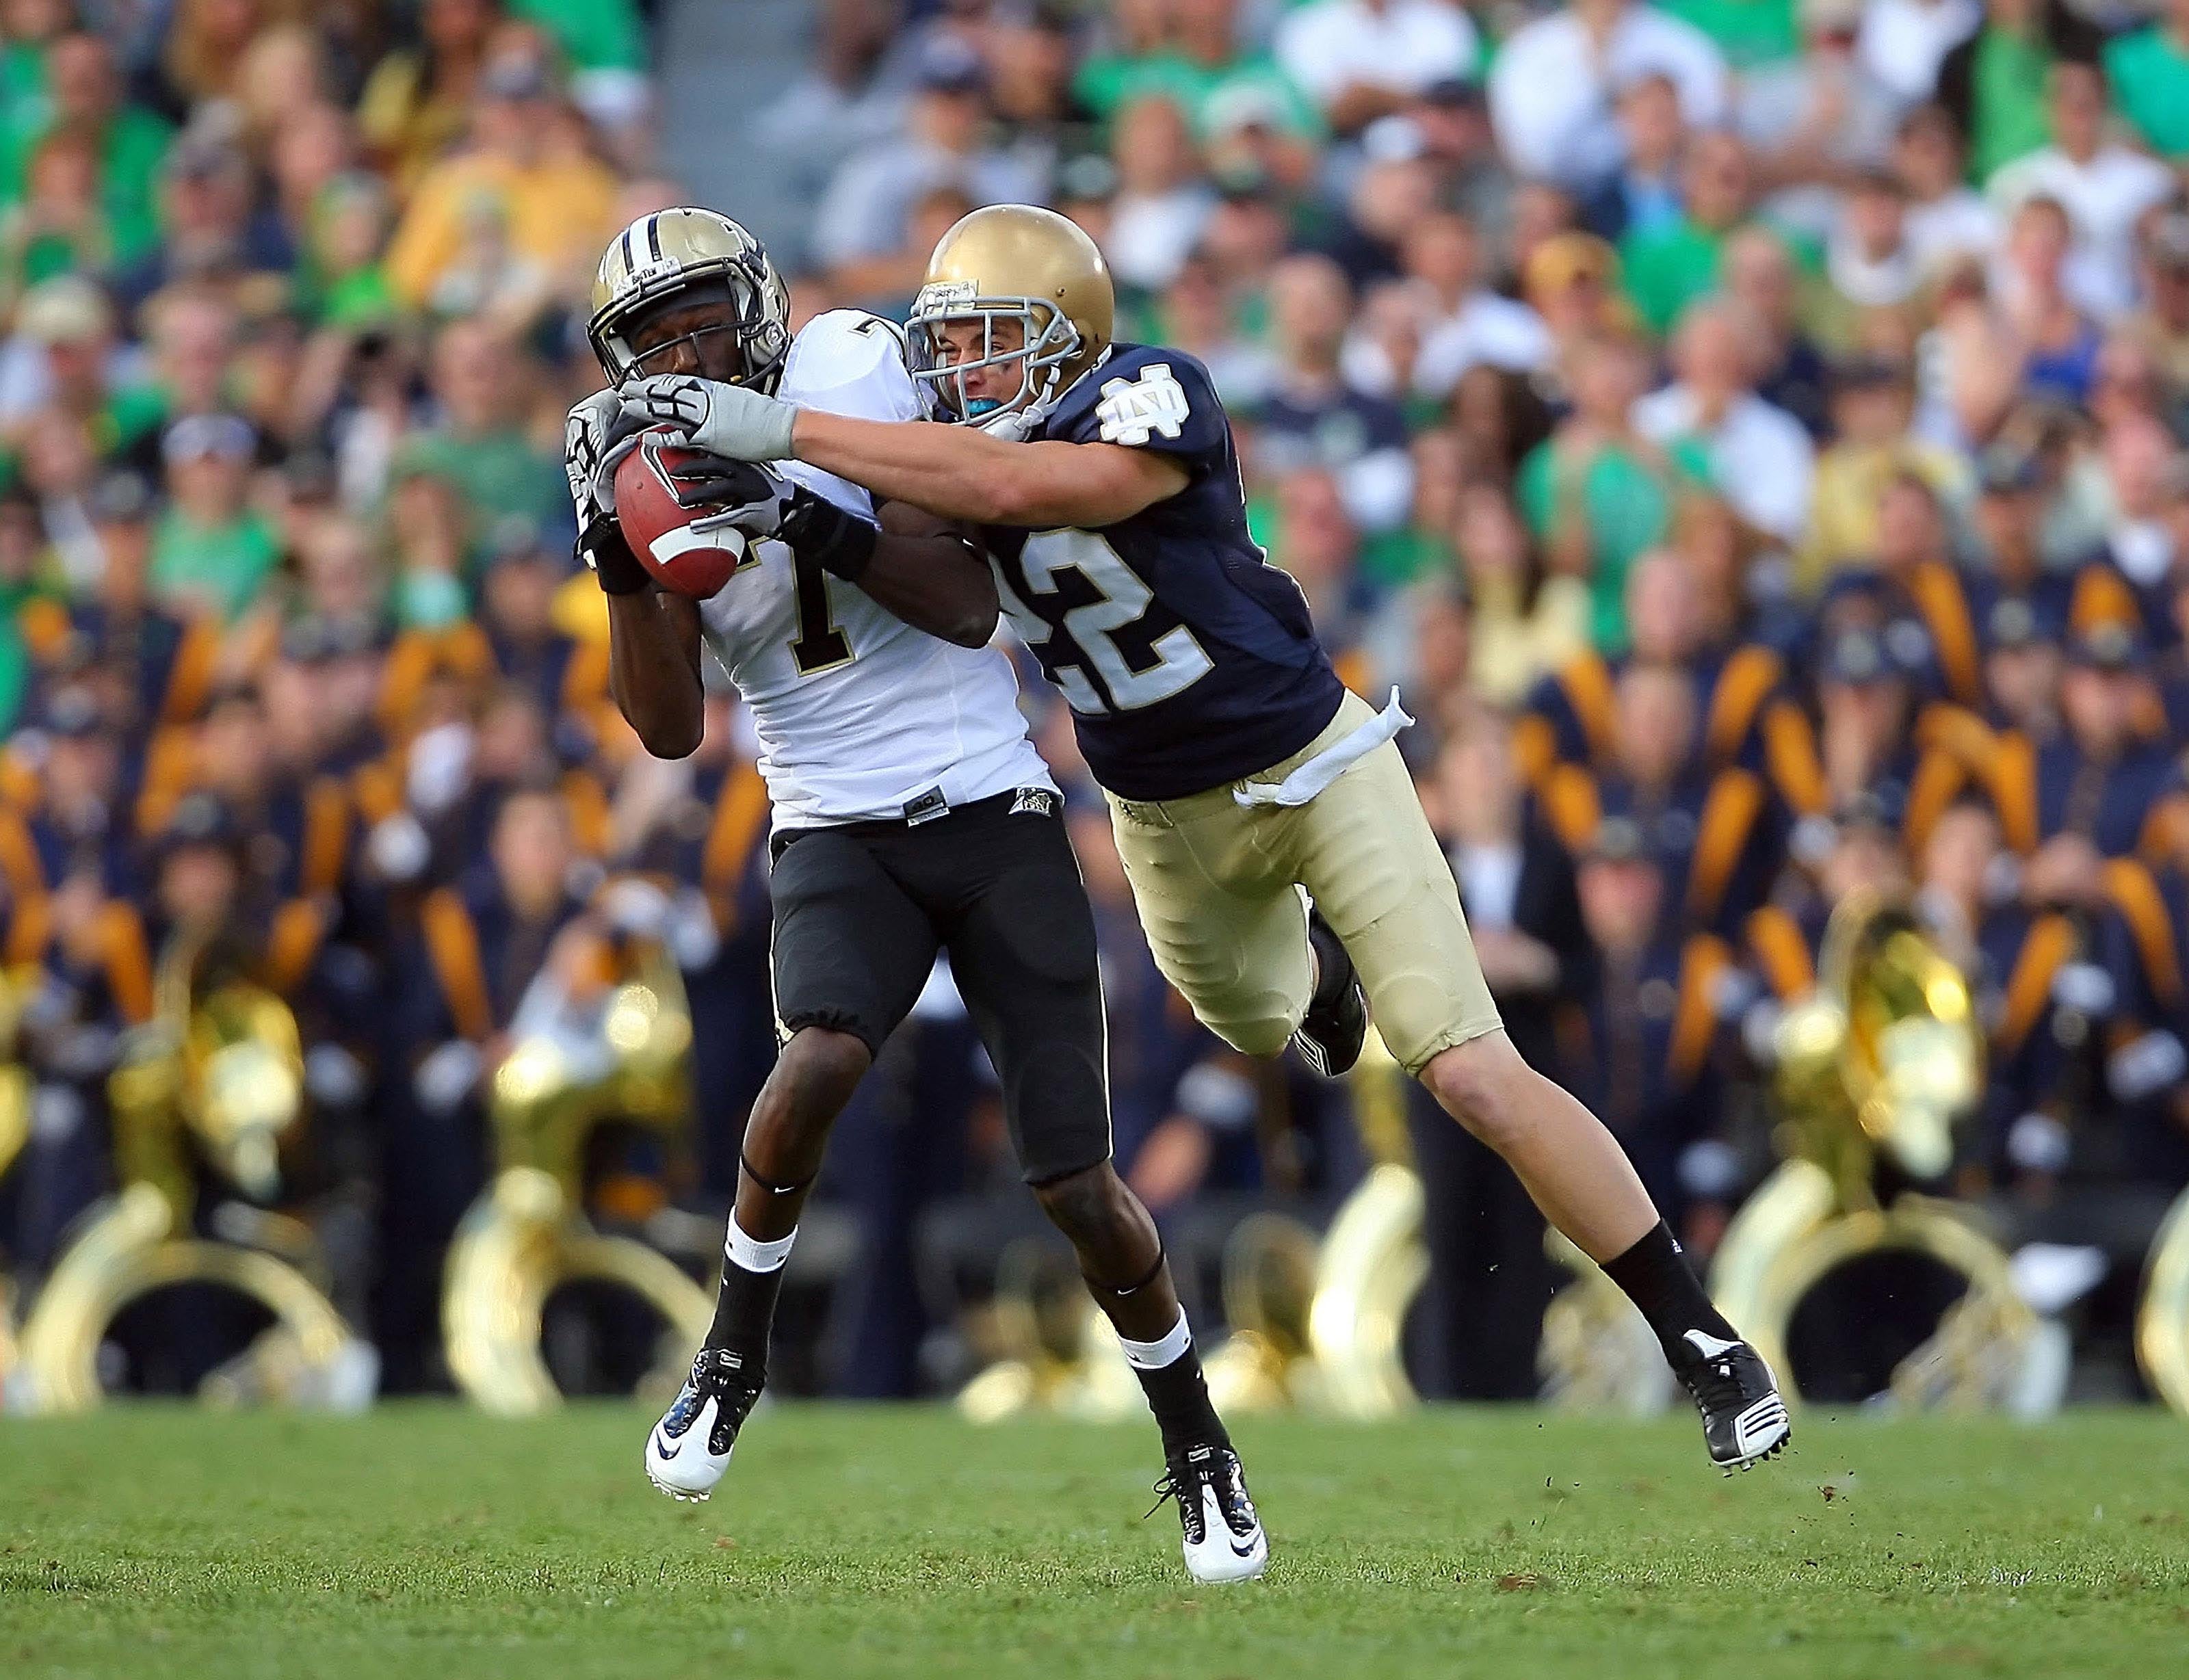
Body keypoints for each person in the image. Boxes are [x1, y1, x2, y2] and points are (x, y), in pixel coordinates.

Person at [626, 202, 1792, 1470]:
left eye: (989, 342)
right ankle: (1320, 970)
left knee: (1466, 1069)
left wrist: (779, 431)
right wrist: (677, 512)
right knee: (1255, 1025)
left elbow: (1030, 486)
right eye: (947, 343)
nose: (957, 373)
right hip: (1161, 820)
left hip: (1311, 766)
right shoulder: (947, 451)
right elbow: (894, 564)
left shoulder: (1150, 394)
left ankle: (1702, 1340)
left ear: (1069, 345)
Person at [567, 207, 1265, 1581]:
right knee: (818, 1052)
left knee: (1072, 1175)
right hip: (831, 822)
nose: (681, 347)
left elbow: (958, 599)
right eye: (652, 334)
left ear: (757, 305)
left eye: (699, 314)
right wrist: (615, 564)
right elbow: (661, 727)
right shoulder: (637, 460)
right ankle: (730, 1354)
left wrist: (788, 504)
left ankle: (1198, 1449)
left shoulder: (848, 368)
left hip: (990, 804)